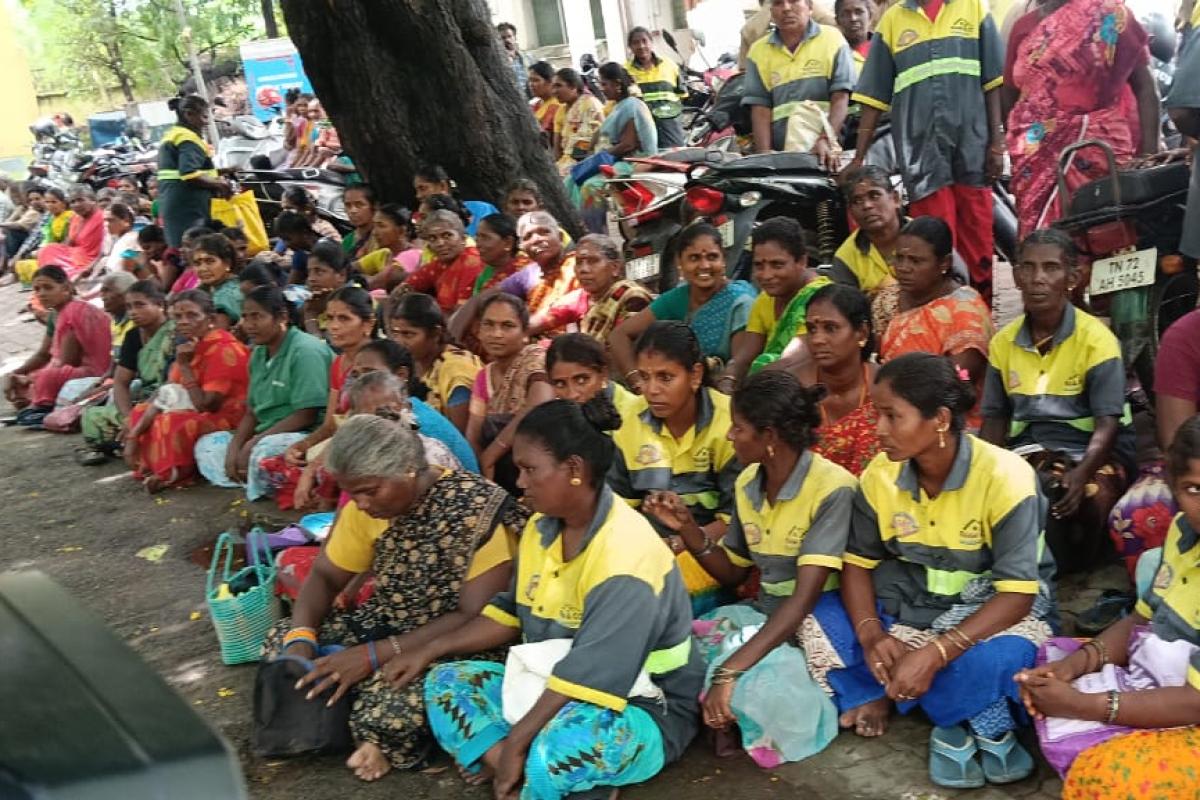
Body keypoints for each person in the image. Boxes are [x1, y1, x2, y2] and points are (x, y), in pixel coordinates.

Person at [387, 398, 704, 799]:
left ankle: (520, 761)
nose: (519, 482)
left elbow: (592, 672)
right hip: (553, 686)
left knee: (556, 748)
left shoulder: (627, 553)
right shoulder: (541, 528)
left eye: (529, 469)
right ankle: (530, 771)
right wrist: (431, 649)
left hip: (641, 705)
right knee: (446, 682)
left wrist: (517, 740)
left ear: (573, 469)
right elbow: (510, 612)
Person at [801, 353, 1055, 788]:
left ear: (939, 419)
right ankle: (947, 702)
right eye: (876, 414)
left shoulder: (1005, 477)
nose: (878, 430)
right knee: (819, 621)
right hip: (908, 609)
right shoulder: (880, 475)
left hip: (991, 615)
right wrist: (870, 633)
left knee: (1004, 660)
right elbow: (857, 565)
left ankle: (895, 693)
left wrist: (936, 653)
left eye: (891, 416)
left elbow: (1016, 596)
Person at [272, 412, 529, 781]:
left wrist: (374, 655)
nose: (359, 503)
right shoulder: (367, 508)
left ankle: (371, 729)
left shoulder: (475, 508)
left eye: (370, 491)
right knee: (283, 640)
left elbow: (474, 615)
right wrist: (301, 640)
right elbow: (326, 576)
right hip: (390, 617)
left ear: (409, 468)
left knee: (395, 701)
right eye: (353, 492)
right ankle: (357, 714)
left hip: (456, 642)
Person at [1017, 416, 1200, 798]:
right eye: (1194, 488)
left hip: (1192, 704)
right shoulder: (1184, 530)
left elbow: (1195, 702)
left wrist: (1087, 706)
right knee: (1043, 667)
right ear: (1173, 487)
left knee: (1112, 777)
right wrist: (1074, 666)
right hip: (1167, 678)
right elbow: (1140, 620)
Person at [681, 371, 852, 765]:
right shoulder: (746, 484)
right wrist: (690, 532)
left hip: (817, 623)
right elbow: (735, 572)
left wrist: (730, 670)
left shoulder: (832, 489)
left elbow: (804, 599)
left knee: (759, 684)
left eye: (738, 428)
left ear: (770, 436)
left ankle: (736, 717)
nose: (729, 436)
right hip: (764, 613)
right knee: (680, 653)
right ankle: (731, 716)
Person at [981, 230, 1133, 572]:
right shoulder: (1003, 343)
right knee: (1036, 487)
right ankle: (1043, 575)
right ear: (1016, 275)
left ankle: (1082, 571)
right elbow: (994, 419)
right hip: (1031, 446)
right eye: (1028, 268)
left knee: (1092, 494)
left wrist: (1081, 473)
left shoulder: (1097, 340)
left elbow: (1107, 423)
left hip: (1092, 451)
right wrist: (986, 469)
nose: (1038, 279)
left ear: (1072, 278)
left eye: (1051, 268)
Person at [846, 0, 1006, 305]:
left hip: (973, 148)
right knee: (932, 243)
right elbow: (873, 97)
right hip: (921, 157)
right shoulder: (892, 22)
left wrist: (997, 141)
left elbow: (993, 82)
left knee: (977, 239)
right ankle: (938, 320)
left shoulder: (974, 9)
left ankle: (979, 318)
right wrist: (858, 157)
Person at [610, 321, 741, 614]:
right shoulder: (629, 420)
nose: (652, 390)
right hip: (645, 547)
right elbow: (617, 507)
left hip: (708, 550)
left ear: (695, 375)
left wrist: (680, 543)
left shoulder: (729, 424)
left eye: (665, 377)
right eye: (644, 377)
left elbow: (735, 519)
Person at [1001, 0, 1159, 235]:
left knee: (1104, 233)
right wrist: (1022, 144)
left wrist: (1149, 154)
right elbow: (1010, 94)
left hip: (1099, 150)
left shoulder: (1112, 17)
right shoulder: (1023, 27)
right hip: (1033, 158)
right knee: (1041, 239)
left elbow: (1146, 88)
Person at [194, 286, 332, 500]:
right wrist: (235, 447)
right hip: (266, 431)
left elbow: (306, 414)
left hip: (304, 434)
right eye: (245, 317)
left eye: (257, 317)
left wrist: (254, 442)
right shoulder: (258, 354)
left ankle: (261, 481)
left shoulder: (305, 351)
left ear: (281, 317)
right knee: (207, 446)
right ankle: (252, 480)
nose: (248, 325)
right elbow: (252, 411)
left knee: (263, 451)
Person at [261, 286, 376, 509]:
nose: (333, 326)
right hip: (339, 441)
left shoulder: (374, 364)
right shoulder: (339, 364)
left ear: (368, 324)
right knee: (274, 463)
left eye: (344, 318)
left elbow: (358, 430)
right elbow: (329, 425)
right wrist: (300, 446)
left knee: (325, 475)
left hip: (366, 441)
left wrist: (313, 467)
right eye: (330, 318)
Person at [123, 290, 250, 492]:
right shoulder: (193, 345)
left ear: (211, 319)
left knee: (172, 422)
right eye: (178, 317)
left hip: (228, 415)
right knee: (140, 411)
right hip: (195, 405)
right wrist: (136, 427)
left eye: (192, 316)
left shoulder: (223, 348)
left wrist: (184, 367)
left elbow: (207, 404)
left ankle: (171, 474)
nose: (183, 322)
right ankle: (151, 467)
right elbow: (168, 388)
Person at [874, 217, 994, 429]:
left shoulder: (965, 313)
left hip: (945, 423)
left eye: (915, 261)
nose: (903, 268)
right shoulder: (887, 299)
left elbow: (959, 382)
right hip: (888, 411)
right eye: (899, 258)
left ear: (944, 263)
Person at [1108, 305, 1200, 577]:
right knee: (1136, 514)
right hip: (1195, 460)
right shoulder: (1186, 336)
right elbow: (1176, 440)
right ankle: (1160, 596)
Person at [611, 223, 757, 378]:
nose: (705, 265)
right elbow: (619, 335)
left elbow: (739, 370)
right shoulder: (679, 297)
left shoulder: (740, 301)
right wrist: (636, 381)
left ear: (723, 261)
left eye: (712, 257)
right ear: (679, 263)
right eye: (694, 258)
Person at [742, 0, 855, 167]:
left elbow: (840, 97)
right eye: (778, 3)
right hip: (783, 156)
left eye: (794, 1)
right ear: (771, 11)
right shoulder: (758, 51)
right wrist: (764, 158)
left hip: (828, 152)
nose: (786, 8)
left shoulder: (832, 39)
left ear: (810, 7)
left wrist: (825, 140)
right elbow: (760, 109)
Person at [721, 217, 830, 386]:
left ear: (802, 261)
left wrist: (746, 390)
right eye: (759, 265)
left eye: (777, 265)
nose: (766, 275)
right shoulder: (765, 299)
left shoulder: (822, 300)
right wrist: (728, 379)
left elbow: (791, 361)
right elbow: (743, 357)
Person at [78, 281, 176, 465]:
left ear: (160, 305)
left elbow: (171, 383)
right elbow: (120, 382)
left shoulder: (174, 335)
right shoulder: (132, 337)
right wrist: (128, 417)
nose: (132, 312)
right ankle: (131, 440)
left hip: (168, 401)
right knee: (92, 416)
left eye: (140, 305)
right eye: (129, 306)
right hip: (142, 403)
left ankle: (126, 443)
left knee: (164, 424)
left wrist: (141, 417)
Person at [3, 266, 112, 425]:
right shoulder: (57, 313)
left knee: (45, 377)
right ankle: (36, 397)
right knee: (33, 376)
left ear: (66, 288)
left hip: (97, 375)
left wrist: (30, 379)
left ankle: (39, 404)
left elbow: (66, 362)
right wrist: (17, 373)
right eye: (37, 289)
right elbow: (43, 354)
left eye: (48, 287)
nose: (41, 293)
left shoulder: (72, 312)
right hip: (80, 372)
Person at [466, 293, 553, 491]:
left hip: (538, 469)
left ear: (525, 333)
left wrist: (493, 453)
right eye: (488, 324)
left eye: (507, 326)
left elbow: (540, 403)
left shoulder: (535, 358)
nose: (496, 334)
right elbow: (473, 435)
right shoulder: (483, 376)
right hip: (499, 477)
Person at [796, 284, 882, 476]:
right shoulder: (794, 389)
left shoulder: (886, 387)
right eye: (811, 329)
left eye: (830, 328)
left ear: (862, 333)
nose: (817, 339)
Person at [567, 62, 659, 233]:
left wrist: (598, 157)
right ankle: (574, 231)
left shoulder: (632, 105)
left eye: (604, 84)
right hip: (616, 159)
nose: (601, 88)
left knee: (590, 187)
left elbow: (628, 145)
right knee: (570, 180)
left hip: (633, 162)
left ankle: (596, 236)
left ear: (617, 84)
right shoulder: (619, 106)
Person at [530, 233, 652, 342]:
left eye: (593, 261)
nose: (583, 269)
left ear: (614, 267)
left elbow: (628, 347)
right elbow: (537, 322)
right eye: (579, 262)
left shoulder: (631, 297)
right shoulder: (581, 297)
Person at [387, 293, 480, 434]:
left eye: (408, 334)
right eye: (395, 333)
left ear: (436, 333)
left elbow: (460, 436)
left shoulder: (456, 370)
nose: (399, 342)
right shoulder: (414, 361)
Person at [157, 95, 229, 247]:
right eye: (204, 116)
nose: (207, 121)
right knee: (197, 248)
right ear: (189, 114)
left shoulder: (174, 134)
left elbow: (197, 170)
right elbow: (190, 174)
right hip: (188, 206)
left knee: (183, 249)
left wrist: (224, 171)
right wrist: (220, 184)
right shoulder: (187, 138)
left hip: (174, 201)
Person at [830, 165, 906, 297]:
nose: (867, 205)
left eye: (874, 195)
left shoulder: (927, 235)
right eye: (857, 201)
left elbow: (953, 284)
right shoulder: (846, 257)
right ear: (851, 211)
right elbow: (848, 311)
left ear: (895, 199)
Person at [399, 210, 484, 315]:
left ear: (463, 238)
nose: (440, 243)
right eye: (433, 238)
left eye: (447, 236)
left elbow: (461, 314)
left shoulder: (472, 261)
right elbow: (401, 292)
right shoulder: (439, 264)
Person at [545, 332, 639, 416]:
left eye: (581, 380)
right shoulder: (554, 422)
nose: (572, 395)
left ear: (604, 374)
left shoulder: (638, 415)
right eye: (560, 384)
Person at [626, 27, 686, 149]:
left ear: (651, 42)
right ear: (630, 47)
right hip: (641, 131)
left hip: (670, 128)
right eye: (636, 43)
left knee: (675, 162)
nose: (641, 46)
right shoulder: (625, 71)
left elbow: (682, 96)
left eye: (644, 41)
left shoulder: (670, 65)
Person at [36, 185, 106, 281]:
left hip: (91, 259)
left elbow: (106, 248)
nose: (76, 204)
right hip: (74, 255)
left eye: (80, 200)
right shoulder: (75, 218)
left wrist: (91, 266)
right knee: (48, 250)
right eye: (73, 202)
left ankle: (60, 278)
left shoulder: (103, 218)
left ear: (93, 200)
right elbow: (68, 242)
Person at [411, 165, 497, 238]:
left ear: (442, 186)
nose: (418, 195)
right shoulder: (421, 219)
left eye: (423, 188)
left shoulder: (482, 209)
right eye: (416, 190)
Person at [552, 68, 606, 176]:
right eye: (553, 87)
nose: (554, 91)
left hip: (587, 160)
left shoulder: (590, 104)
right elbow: (557, 147)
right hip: (565, 161)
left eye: (559, 86)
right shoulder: (560, 110)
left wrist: (577, 162)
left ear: (573, 87)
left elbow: (601, 134)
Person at [356, 204, 421, 291]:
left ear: (401, 231)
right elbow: (348, 269)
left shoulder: (413, 255)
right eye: (374, 226)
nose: (375, 232)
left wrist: (357, 279)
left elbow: (374, 283)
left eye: (381, 226)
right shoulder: (384, 254)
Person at [302, 240, 357, 338]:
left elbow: (322, 350)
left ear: (341, 275)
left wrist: (310, 315)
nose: (311, 278)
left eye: (319, 272)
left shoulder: (354, 305)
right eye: (309, 272)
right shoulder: (319, 302)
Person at [192, 233, 243, 329]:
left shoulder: (226, 295)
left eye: (210, 261)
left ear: (227, 263)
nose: (202, 268)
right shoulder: (207, 289)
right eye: (197, 263)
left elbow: (216, 335)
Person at [471, 213, 529, 295]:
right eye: (477, 237)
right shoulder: (487, 271)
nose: (478, 244)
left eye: (485, 237)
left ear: (508, 243)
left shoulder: (524, 273)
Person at [273, 210, 321, 286]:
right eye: (283, 240)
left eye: (288, 239)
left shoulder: (325, 251)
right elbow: (290, 286)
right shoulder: (300, 254)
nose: (286, 244)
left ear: (304, 233)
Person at [341, 184, 380, 261]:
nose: (353, 211)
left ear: (374, 206)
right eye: (348, 205)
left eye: (359, 204)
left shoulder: (384, 237)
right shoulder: (347, 241)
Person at [527, 62, 561, 148]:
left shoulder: (556, 105)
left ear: (550, 82)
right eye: (530, 80)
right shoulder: (535, 104)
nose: (531, 84)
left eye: (536, 80)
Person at [836, 0, 876, 70]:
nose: (853, 18)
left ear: (870, 17)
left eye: (858, 12)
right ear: (837, 21)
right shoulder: (833, 53)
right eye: (846, 14)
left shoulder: (885, 48)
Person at [497, 21, 535, 96]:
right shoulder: (497, 60)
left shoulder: (527, 57)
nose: (507, 40)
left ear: (515, 37)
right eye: (503, 38)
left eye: (509, 36)